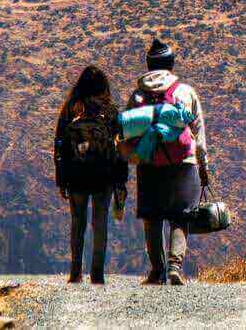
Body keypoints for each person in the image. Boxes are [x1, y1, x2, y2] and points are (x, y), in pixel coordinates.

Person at [125, 37, 210, 286]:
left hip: (149, 162)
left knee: (152, 217)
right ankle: (175, 268)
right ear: (171, 63)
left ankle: (156, 271)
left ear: (149, 64)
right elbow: (200, 138)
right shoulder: (185, 92)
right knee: (181, 216)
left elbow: (127, 132)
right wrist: (203, 168)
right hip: (184, 162)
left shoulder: (138, 97)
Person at [54, 65, 128, 285]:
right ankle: (97, 273)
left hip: (76, 174)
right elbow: (120, 148)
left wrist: (61, 179)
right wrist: (120, 181)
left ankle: (75, 272)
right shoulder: (111, 111)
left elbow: (59, 146)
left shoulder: (70, 109)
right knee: (100, 221)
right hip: (103, 175)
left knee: (77, 221)